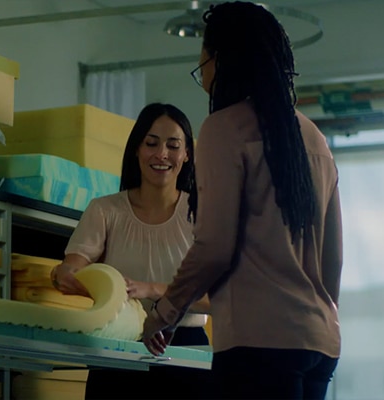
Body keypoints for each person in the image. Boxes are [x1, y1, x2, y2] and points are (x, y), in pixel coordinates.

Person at [141, 2, 344, 400]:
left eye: (204, 57)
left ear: (222, 60)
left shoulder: (223, 129)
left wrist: (164, 315)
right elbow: (332, 256)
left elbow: (214, 246)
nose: (204, 70)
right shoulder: (313, 137)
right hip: (320, 342)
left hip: (259, 345)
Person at [51, 102, 211, 400]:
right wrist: (65, 274)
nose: (161, 154)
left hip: (186, 352)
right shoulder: (104, 210)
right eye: (151, 143)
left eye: (173, 146)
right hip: (119, 345)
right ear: (136, 149)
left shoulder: (203, 213)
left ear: (187, 154)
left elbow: (219, 298)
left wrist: (151, 289)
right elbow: (72, 266)